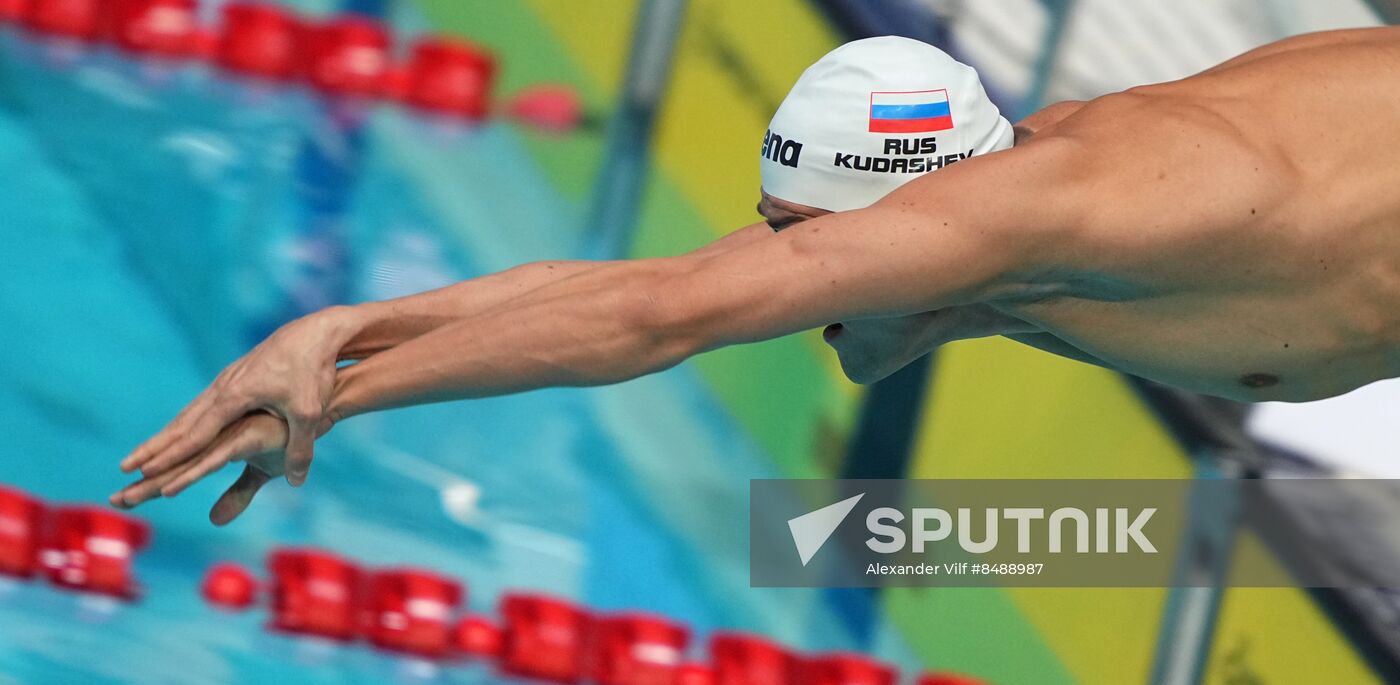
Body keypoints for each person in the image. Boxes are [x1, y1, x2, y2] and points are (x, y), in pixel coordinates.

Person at [116, 28, 1400, 524]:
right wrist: (341, 329)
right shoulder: (1002, 209)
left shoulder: (1069, 205)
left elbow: (659, 316)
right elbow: (658, 276)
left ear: (921, 205)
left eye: (816, 239)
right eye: (780, 226)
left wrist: (336, 399)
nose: (792, 270)